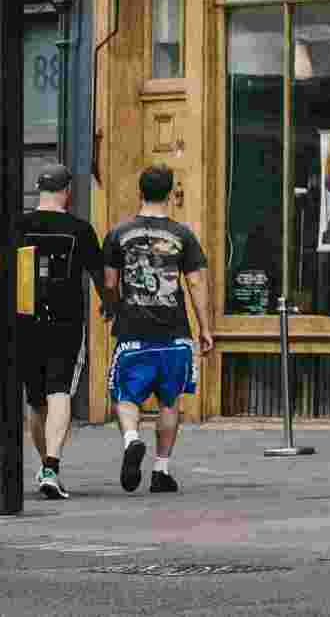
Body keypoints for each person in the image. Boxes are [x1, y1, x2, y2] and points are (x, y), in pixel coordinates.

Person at [0, 166, 104, 499]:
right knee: (60, 392)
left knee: (35, 399)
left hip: (25, 321)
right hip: (66, 322)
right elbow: (101, 276)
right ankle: (51, 467)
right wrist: (113, 306)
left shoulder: (18, 225)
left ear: (37, 189)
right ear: (67, 191)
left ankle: (44, 464)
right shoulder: (80, 229)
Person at [100, 164, 214, 496]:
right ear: (170, 193)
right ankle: (161, 470)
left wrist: (111, 306)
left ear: (140, 192)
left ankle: (132, 439)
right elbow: (196, 283)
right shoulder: (184, 236)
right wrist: (205, 328)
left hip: (133, 332)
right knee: (169, 400)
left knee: (125, 395)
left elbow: (109, 282)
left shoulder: (118, 234)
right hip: (174, 334)